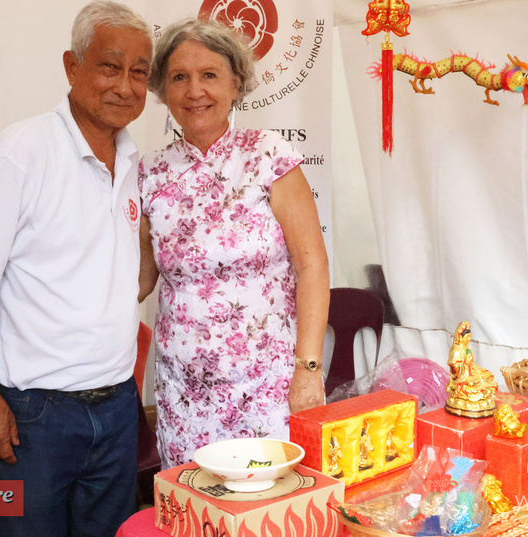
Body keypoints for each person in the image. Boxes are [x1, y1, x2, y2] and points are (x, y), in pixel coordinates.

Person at [0, 2, 152, 535]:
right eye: (110, 66)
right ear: (71, 67)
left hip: (118, 407)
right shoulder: (22, 152)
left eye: (139, 72)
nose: (125, 86)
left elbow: (120, 275)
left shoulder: (133, 162)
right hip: (31, 417)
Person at [137, 18, 329, 469]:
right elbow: (139, 280)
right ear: (163, 90)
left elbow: (313, 266)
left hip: (268, 387)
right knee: (196, 498)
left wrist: (308, 369)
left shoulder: (269, 156)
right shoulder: (149, 173)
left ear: (235, 83)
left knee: (269, 499)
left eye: (209, 75)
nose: (194, 91)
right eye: (179, 77)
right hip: (185, 393)